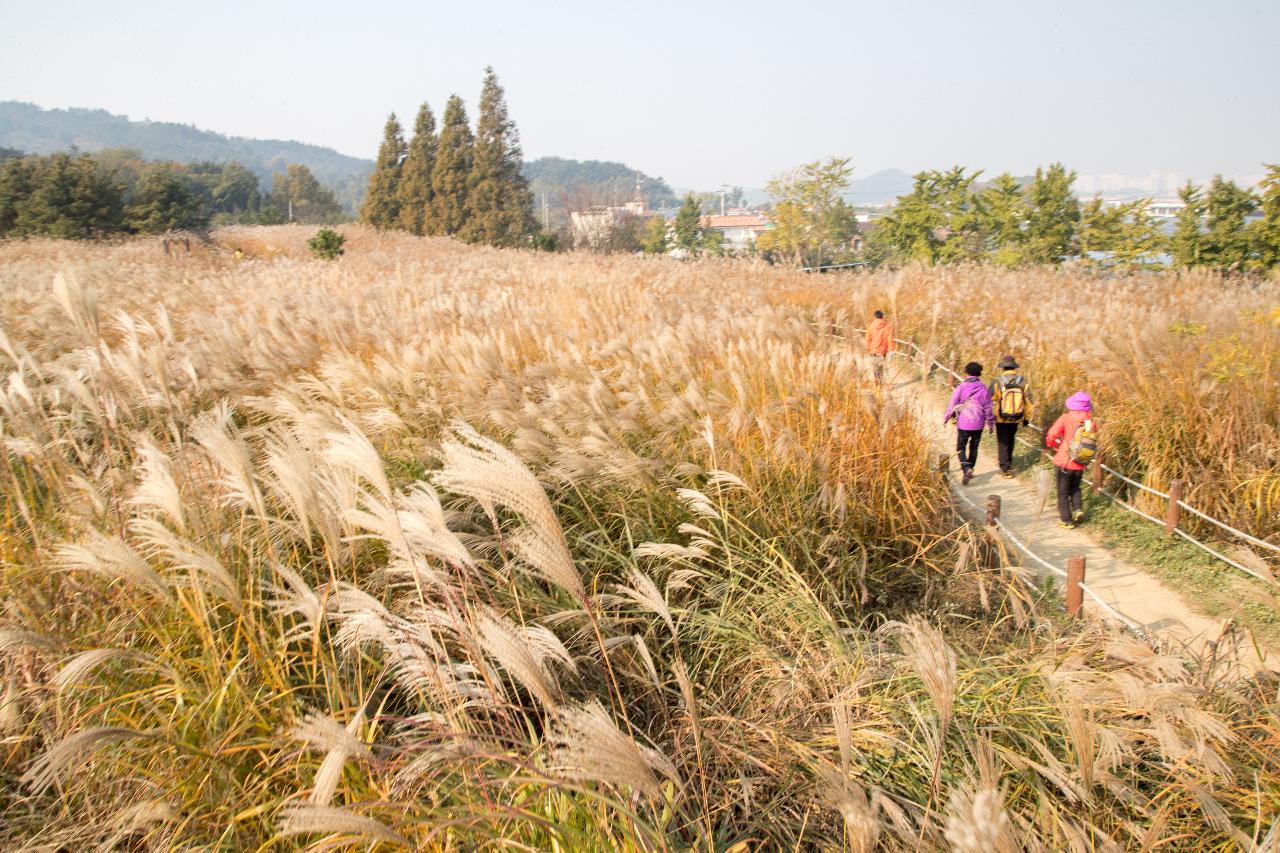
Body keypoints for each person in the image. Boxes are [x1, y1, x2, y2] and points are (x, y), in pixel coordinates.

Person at [1045, 391, 1097, 528]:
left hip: (1064, 462)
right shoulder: (1090, 422)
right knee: (1075, 488)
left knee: (1062, 493)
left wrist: (1053, 445)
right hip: (1080, 463)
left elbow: (1052, 434)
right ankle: (1077, 509)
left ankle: (1066, 520)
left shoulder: (1065, 418)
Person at [943, 361, 993, 486]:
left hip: (964, 423)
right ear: (979, 373)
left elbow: (952, 403)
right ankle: (970, 468)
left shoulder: (961, 387)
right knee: (974, 447)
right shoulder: (983, 388)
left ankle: (966, 469)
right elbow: (988, 407)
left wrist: (946, 417)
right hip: (978, 423)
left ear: (966, 372)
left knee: (960, 447)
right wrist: (990, 423)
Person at [989, 354, 1033, 478]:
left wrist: (990, 414)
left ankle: (1004, 468)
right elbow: (1029, 402)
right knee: (1011, 439)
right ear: (1014, 367)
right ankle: (1008, 463)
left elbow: (990, 398)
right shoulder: (1023, 382)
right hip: (1017, 417)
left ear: (1003, 368)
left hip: (1001, 417)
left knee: (1002, 441)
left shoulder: (997, 381)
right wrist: (1026, 418)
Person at [864, 310, 896, 382]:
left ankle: (877, 383)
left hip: (873, 352)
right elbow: (890, 340)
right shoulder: (887, 327)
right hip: (882, 352)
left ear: (875, 317)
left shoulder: (871, 326)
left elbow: (867, 339)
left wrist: (867, 349)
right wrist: (891, 350)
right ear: (882, 317)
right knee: (880, 368)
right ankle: (879, 383)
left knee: (875, 368)